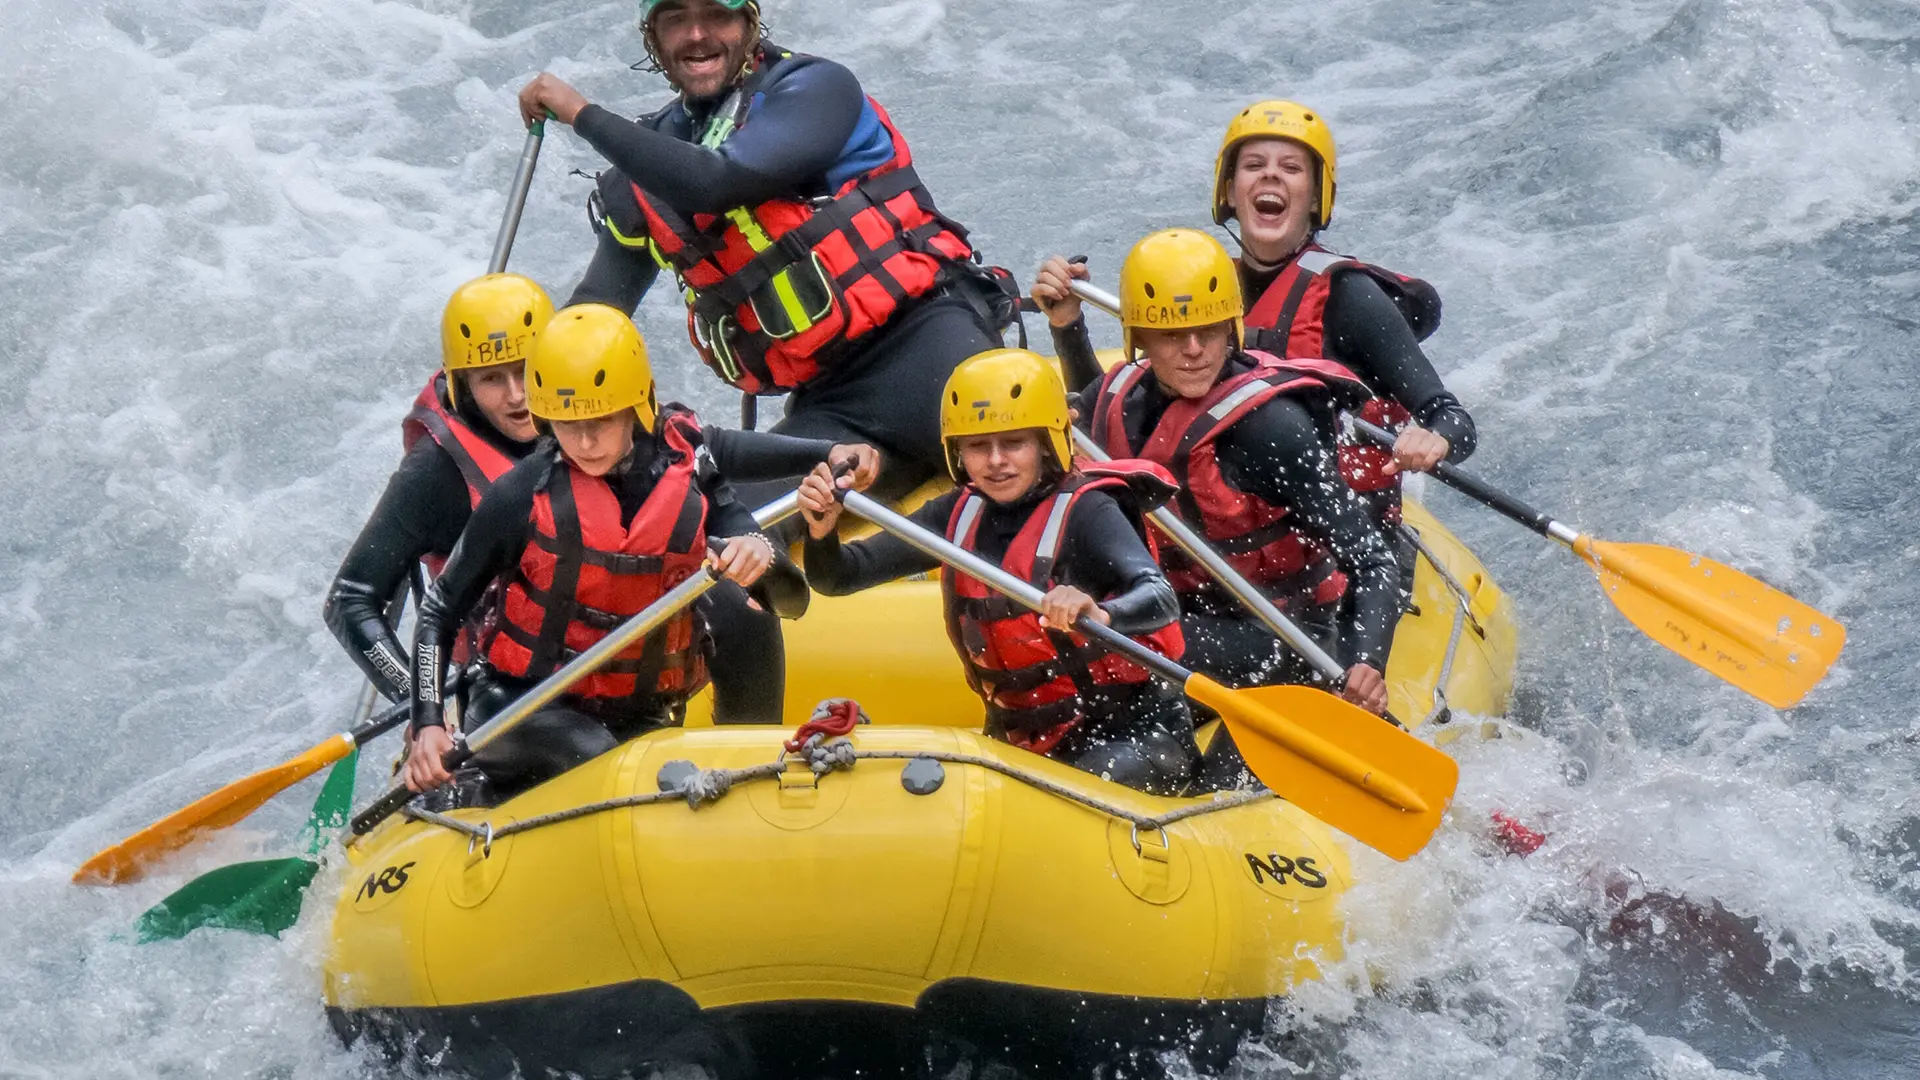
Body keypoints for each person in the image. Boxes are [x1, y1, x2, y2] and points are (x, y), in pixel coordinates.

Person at [515, 0, 1016, 503]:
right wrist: (496, 389)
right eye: (674, 19)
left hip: (932, 348)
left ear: (750, 23)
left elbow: (717, 180)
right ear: (652, 36)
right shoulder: (647, 172)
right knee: (702, 526)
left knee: (1035, 489)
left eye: (717, 15)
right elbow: (596, 311)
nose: (696, 34)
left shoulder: (815, 89)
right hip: (827, 410)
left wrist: (581, 115)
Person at [324, 276, 879, 725]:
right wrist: (425, 704)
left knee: (741, 605)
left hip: (627, 638)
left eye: (525, 371)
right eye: (491, 379)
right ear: (461, 383)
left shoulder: (598, 411)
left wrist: (825, 451)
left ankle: (744, 764)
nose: (517, 397)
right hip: (518, 679)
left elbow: (712, 445)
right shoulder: (437, 473)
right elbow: (351, 600)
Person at [404, 304, 805, 797]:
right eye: (569, 424)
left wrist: (760, 552)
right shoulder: (522, 495)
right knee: (602, 756)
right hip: (521, 707)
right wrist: (427, 721)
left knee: (746, 620)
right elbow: (439, 611)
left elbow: (792, 600)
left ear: (637, 406)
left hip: (638, 708)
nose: (587, 441)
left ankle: (753, 784)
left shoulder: (686, 474)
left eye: (602, 419)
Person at [1034, 99, 1476, 533]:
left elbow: (1452, 418)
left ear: (1316, 196)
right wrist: (1067, 326)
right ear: (1228, 190)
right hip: (1226, 533)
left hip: (1336, 537)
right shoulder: (1203, 291)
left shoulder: (1350, 297)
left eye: (1291, 167)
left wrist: (1434, 438)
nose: (1271, 174)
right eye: (1254, 165)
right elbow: (1107, 420)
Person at [795, 348, 1197, 795]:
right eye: (978, 447)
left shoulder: (1089, 511)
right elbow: (839, 576)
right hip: (1024, 742)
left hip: (1134, 738)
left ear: (1047, 443)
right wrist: (823, 531)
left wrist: (1101, 612)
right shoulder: (957, 514)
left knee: (1059, 797)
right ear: (958, 453)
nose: (996, 461)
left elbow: (1159, 597)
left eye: (1014, 443)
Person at [1066, 230, 1400, 754]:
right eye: (1172, 334)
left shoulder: (1274, 429)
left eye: (1208, 329)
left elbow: (1374, 561)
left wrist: (1367, 663)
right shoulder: (1114, 399)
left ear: (1232, 327)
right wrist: (1066, 329)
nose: (1194, 350)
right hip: (1191, 616)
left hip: (1291, 638)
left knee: (1134, 649)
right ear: (1139, 339)